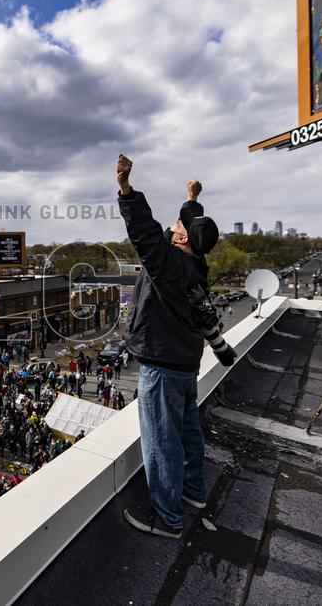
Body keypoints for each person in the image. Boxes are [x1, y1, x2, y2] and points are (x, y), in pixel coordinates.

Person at [115, 154, 219, 539]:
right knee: (188, 428)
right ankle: (195, 492)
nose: (174, 226)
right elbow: (191, 225)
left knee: (161, 441)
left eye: (177, 225)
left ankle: (168, 518)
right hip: (185, 362)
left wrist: (126, 188)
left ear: (178, 239)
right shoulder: (196, 265)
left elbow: (143, 231)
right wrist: (191, 199)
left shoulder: (166, 267)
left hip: (161, 365)